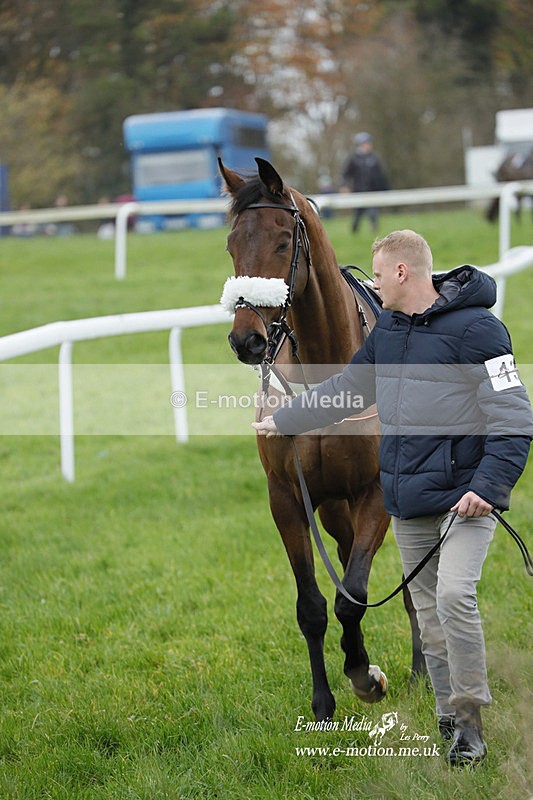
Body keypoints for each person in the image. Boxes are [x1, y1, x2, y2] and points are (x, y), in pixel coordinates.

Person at [253, 229, 533, 767]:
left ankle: (470, 723)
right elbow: (348, 391)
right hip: (407, 501)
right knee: (427, 616)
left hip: (465, 500)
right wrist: (283, 419)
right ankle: (447, 717)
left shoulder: (482, 331)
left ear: (402, 273)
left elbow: (514, 417)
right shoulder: (387, 334)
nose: (373, 287)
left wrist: (488, 488)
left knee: (454, 599)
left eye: (378, 277)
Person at [340, 132, 389, 233]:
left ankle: (373, 231)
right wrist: (344, 185)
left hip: (372, 192)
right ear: (360, 144)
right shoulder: (353, 158)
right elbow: (345, 174)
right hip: (358, 192)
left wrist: (384, 189)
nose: (368, 145)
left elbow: (381, 176)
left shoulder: (374, 158)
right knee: (357, 216)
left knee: (373, 214)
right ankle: (354, 232)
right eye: (366, 143)